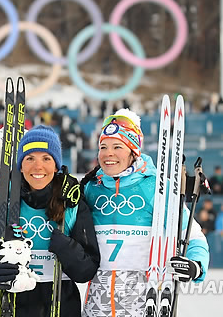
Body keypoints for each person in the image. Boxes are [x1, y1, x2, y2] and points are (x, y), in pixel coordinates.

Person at [80, 108, 209, 317]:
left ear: (134, 150)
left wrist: (196, 265)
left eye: (117, 146)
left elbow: (192, 235)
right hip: (97, 303)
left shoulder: (156, 187)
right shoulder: (90, 188)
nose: (108, 154)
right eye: (102, 147)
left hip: (144, 302)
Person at [0, 125, 100, 317]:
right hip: (8, 308)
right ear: (21, 165)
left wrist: (67, 248)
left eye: (46, 158)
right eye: (30, 158)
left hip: (60, 307)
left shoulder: (73, 205)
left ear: (56, 165)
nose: (38, 166)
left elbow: (86, 270)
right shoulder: (3, 206)